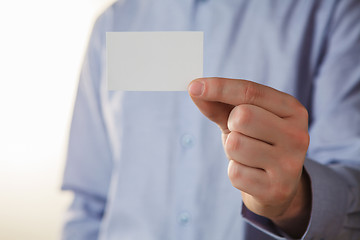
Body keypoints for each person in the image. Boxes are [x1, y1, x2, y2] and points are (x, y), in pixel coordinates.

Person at [61, 0, 360, 239]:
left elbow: (353, 187)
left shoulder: (333, 12)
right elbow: (88, 201)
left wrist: (292, 203)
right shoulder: (114, 24)